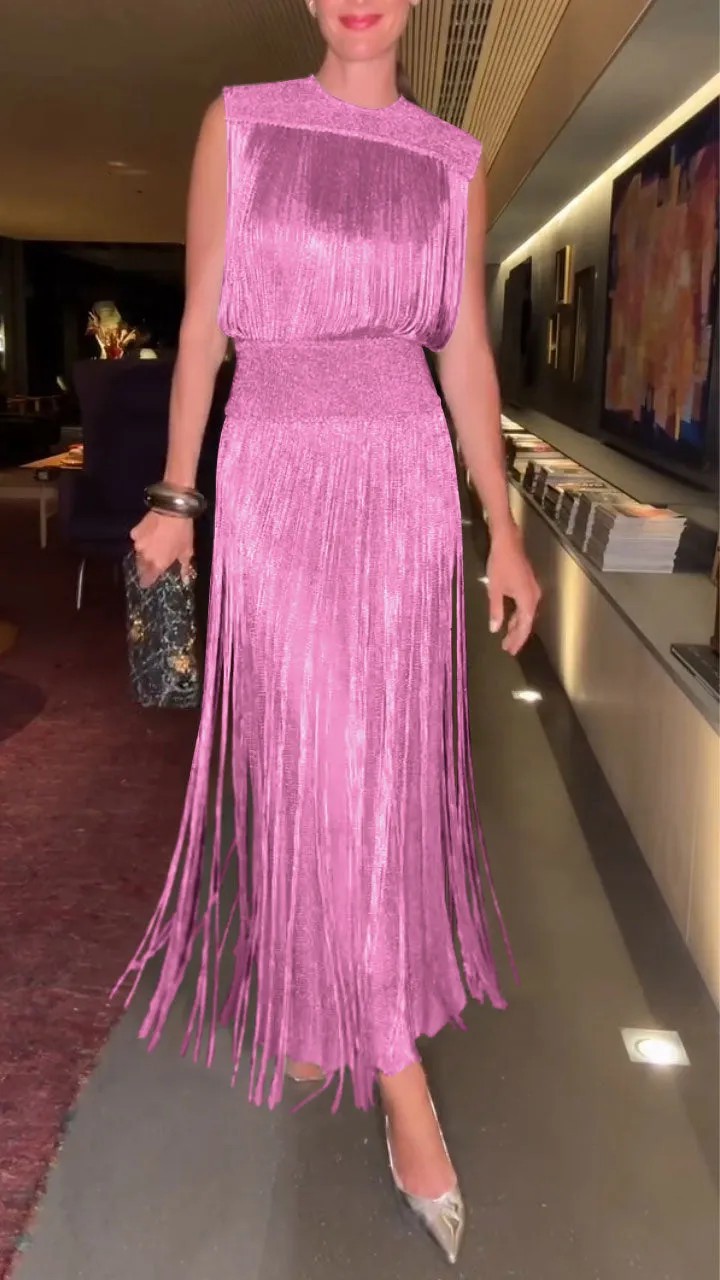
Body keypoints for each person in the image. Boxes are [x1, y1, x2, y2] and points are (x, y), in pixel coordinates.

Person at [120, 0, 541, 1265]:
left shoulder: (452, 160)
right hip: (276, 474)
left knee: (380, 771)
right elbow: (204, 324)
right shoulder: (242, 125)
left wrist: (502, 525)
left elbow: (464, 354)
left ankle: (324, 996)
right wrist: (177, 494)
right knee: (309, 760)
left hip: (404, 484)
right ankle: (401, 1079)